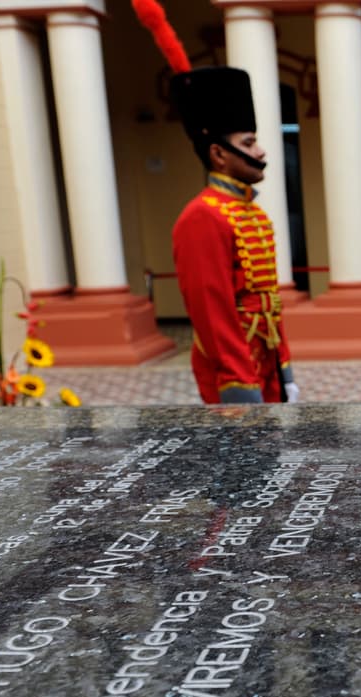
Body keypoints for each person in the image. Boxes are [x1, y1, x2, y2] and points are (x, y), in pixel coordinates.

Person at [133, 0, 297, 404]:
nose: (260, 151)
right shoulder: (202, 217)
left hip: (266, 359)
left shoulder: (249, 210)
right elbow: (213, 314)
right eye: (249, 143)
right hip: (234, 371)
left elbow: (268, 303)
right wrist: (242, 388)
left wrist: (284, 369)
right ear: (219, 154)